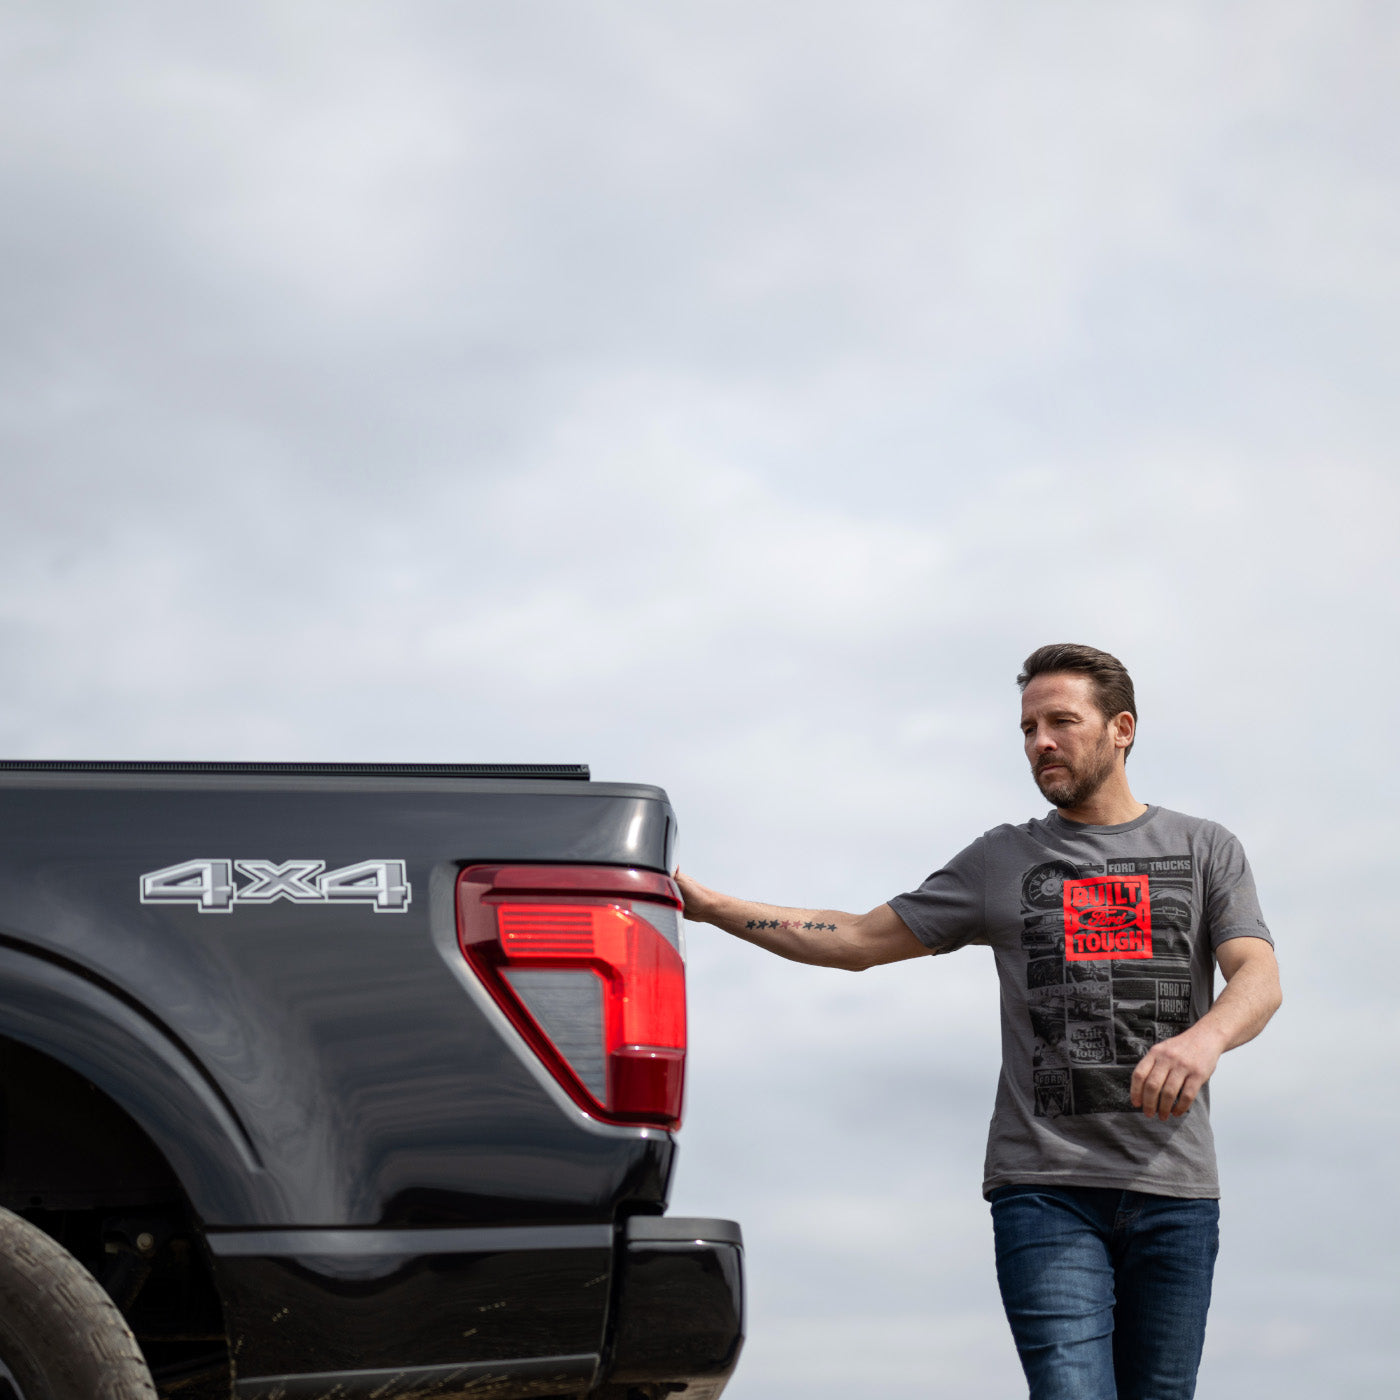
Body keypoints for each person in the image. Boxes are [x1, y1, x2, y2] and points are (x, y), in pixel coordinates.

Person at [675, 642, 1281, 1400]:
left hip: (1175, 1192)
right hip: (1045, 1189)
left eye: (1061, 722)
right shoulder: (1002, 858)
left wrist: (1205, 1038)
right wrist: (712, 908)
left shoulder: (1203, 848)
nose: (1041, 743)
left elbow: (1258, 975)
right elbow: (859, 940)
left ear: (1122, 728)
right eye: (1028, 728)